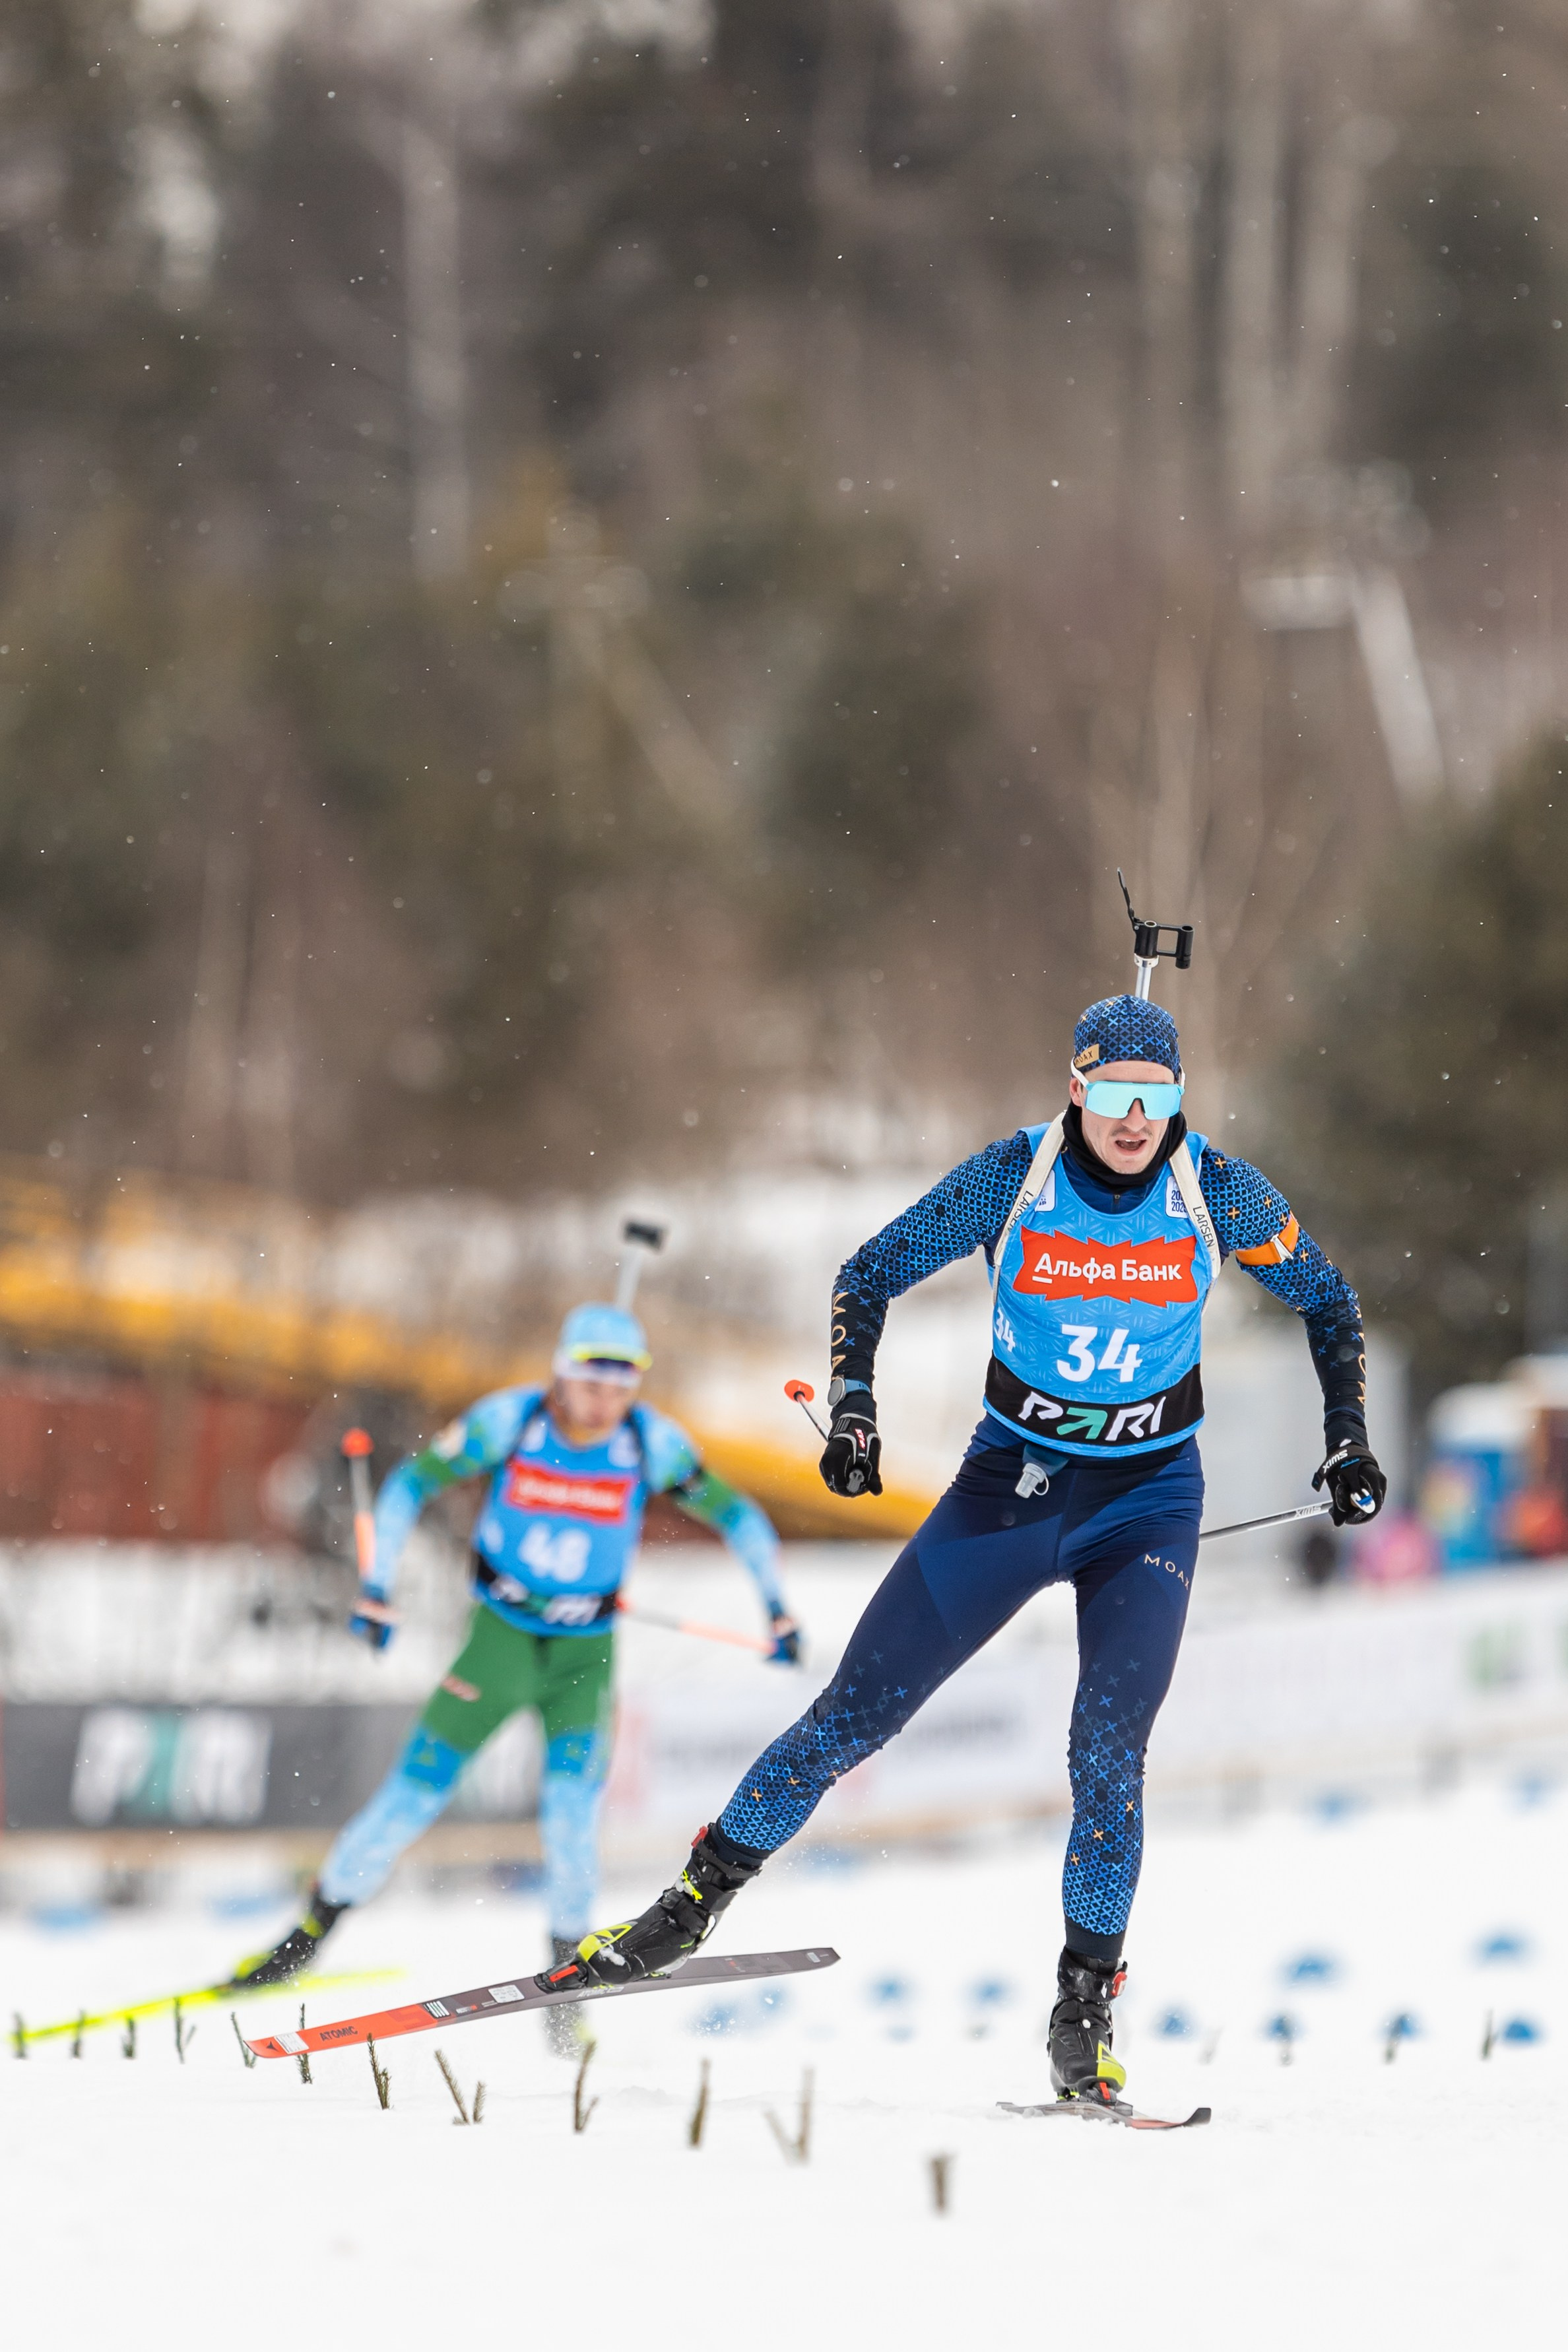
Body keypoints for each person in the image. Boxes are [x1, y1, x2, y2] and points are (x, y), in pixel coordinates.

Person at [556, 992, 1385, 2107]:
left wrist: (1346, 1440)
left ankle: (1081, 2014)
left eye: (1159, 1096)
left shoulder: (1220, 1192)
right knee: (852, 1713)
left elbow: (1330, 1302)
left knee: (1107, 1753)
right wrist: (854, 1411)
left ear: (1178, 1099)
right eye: (1115, 1093)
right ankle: (685, 1909)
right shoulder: (1015, 1177)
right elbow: (870, 1270)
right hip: (1011, 1489)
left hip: (1147, 1498)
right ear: (1078, 1086)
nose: (1136, 1119)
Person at [233, 1300, 800, 2050]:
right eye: (590, 1380)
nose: (605, 1400)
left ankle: (566, 1994)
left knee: (570, 1823)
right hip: (498, 1643)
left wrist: (777, 1607)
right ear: (561, 1375)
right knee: (409, 1798)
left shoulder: (647, 1442)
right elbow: (406, 1488)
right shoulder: (512, 1423)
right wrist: (377, 1583)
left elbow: (738, 1516)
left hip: (583, 1657)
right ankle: (304, 1940)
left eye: (623, 1383)